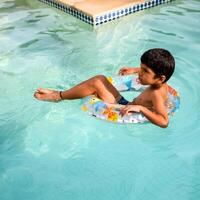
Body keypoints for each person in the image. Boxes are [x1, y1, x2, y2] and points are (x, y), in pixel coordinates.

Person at [34, 48, 175, 128]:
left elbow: (164, 122)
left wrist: (142, 109)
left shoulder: (156, 93)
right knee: (100, 79)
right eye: (141, 68)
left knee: (96, 83)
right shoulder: (158, 82)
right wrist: (134, 69)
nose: (140, 73)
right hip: (125, 104)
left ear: (160, 78)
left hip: (122, 109)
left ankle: (57, 96)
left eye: (145, 71)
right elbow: (150, 74)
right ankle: (59, 94)